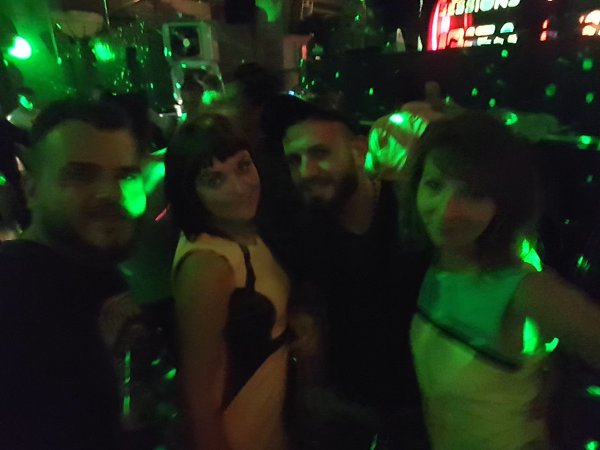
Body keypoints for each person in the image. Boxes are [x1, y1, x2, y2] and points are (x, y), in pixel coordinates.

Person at [406, 112, 600, 449]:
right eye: (435, 185)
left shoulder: (523, 288)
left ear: (505, 204)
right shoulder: (436, 260)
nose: (447, 211)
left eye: (473, 194)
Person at [263, 92, 429, 449]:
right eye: (295, 160)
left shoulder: (412, 211)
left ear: (358, 150)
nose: (306, 172)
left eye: (319, 154)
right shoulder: (302, 231)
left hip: (425, 409)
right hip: (348, 411)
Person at [0, 100, 146, 449]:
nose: (110, 194)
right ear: (31, 189)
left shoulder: (95, 271)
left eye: (125, 175)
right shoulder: (12, 299)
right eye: (81, 175)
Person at [164, 113, 291, 450]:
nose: (239, 187)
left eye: (243, 166)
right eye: (214, 180)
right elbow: (198, 399)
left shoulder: (245, 229)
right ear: (190, 192)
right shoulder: (207, 266)